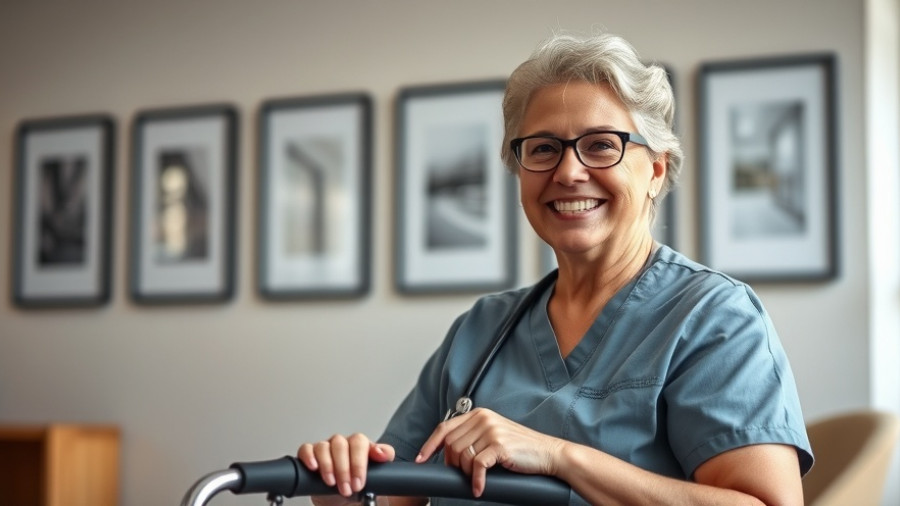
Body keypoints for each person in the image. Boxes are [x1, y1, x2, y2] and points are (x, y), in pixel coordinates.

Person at [297, 31, 813, 505]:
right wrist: (342, 481)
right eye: (542, 149)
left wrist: (558, 457)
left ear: (655, 170)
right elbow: (394, 494)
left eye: (601, 146)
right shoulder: (481, 330)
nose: (568, 172)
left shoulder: (713, 319)